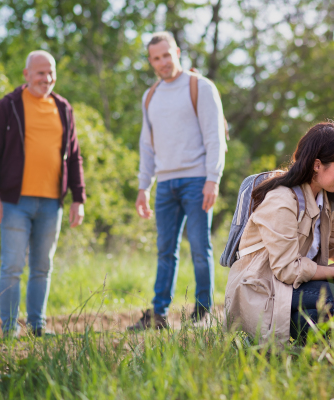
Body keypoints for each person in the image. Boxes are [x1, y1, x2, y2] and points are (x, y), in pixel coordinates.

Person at [224, 122, 334, 345]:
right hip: (266, 286)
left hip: (295, 283)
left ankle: (309, 341)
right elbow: (287, 270)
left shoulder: (327, 197)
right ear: (317, 165)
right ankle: (279, 338)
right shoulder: (282, 201)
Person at [0, 50, 86, 338]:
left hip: (52, 202)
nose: (47, 78)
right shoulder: (9, 105)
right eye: (40, 73)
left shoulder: (63, 108)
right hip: (14, 201)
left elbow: (74, 156)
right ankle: (9, 329)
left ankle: (37, 325)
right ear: (27, 74)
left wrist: (78, 198)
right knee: (13, 266)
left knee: (42, 267)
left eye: (51, 72)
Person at [129, 32, 226, 330]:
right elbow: (147, 145)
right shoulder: (151, 96)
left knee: (199, 248)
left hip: (197, 180)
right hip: (166, 185)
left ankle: (203, 314)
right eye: (156, 58)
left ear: (177, 52)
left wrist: (213, 178)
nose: (162, 62)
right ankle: (158, 315)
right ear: (150, 61)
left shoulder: (200, 87)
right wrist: (144, 186)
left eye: (167, 55)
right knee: (165, 250)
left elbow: (215, 136)